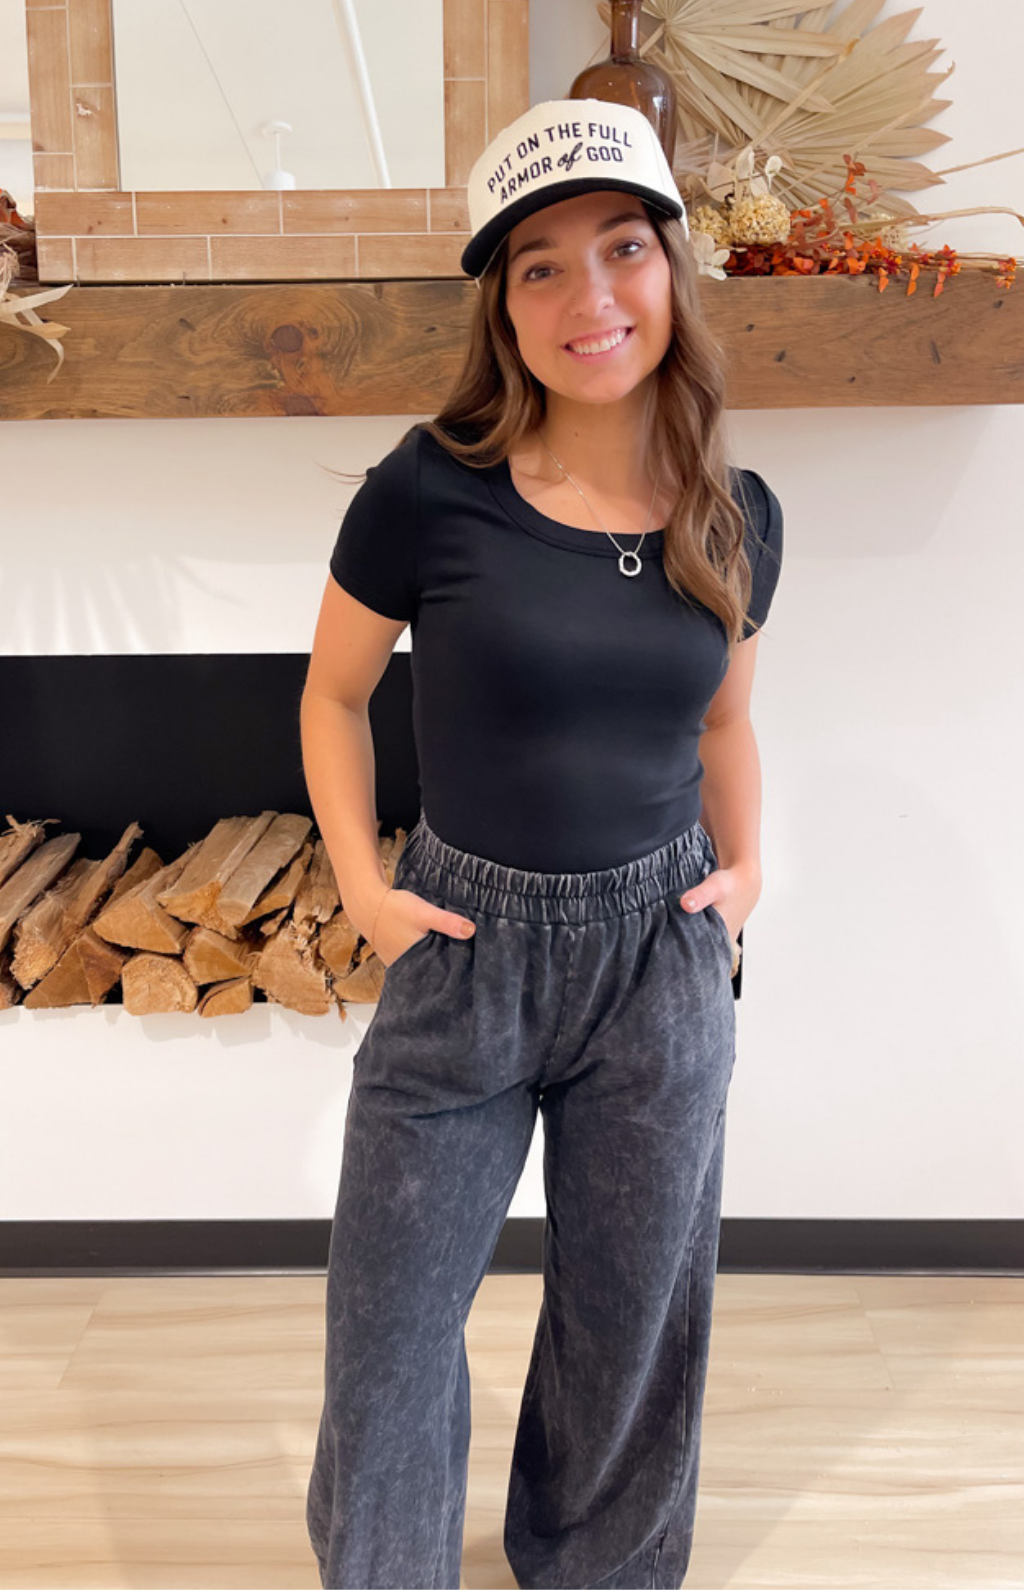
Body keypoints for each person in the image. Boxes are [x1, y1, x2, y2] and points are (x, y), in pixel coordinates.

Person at [302, 98, 783, 1590]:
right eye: (541, 267)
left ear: (670, 269)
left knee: (630, 1319)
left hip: (660, 959)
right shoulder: (428, 488)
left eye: (622, 249)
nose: (591, 296)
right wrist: (365, 886)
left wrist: (745, 877)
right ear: (504, 309)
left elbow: (723, 722)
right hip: (465, 948)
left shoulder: (738, 515)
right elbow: (331, 695)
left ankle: (596, 1568)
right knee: (389, 1326)